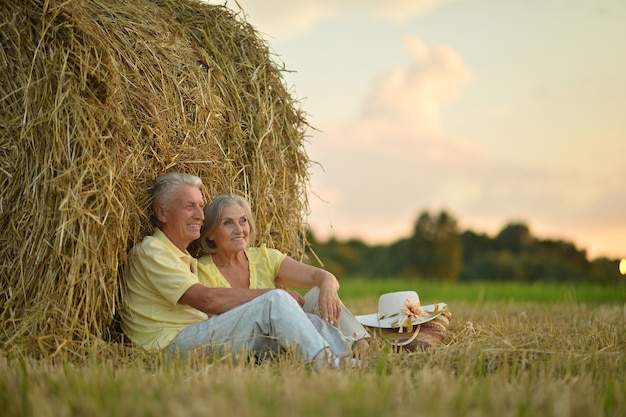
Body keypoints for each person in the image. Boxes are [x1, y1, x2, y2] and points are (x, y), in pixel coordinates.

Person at [119, 173, 362, 369]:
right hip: (169, 349)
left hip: (193, 339)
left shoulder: (181, 257)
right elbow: (207, 300)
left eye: (201, 206)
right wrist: (275, 296)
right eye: (189, 206)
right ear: (162, 213)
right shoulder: (153, 252)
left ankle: (353, 353)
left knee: (294, 315)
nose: (200, 215)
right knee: (276, 300)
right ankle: (329, 365)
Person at [195, 193, 370, 358]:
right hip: (249, 344)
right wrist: (278, 299)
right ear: (210, 233)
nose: (239, 229)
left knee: (318, 293)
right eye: (228, 223)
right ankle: (340, 352)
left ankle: (362, 348)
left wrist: (329, 288)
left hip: (284, 334)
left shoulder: (264, 257)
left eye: (243, 221)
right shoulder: (200, 270)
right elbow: (218, 325)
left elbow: (322, 276)